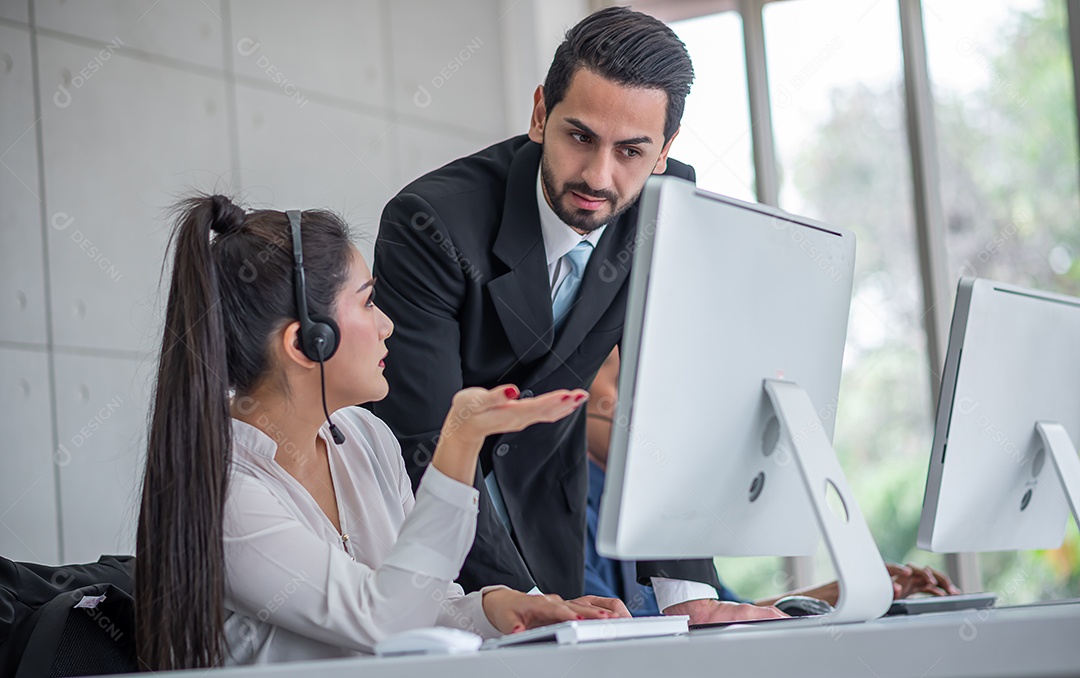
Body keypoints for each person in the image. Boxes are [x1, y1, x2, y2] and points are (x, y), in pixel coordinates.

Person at [371, 6, 780, 624]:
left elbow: (667, 406)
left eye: (632, 151)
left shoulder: (668, 212)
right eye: (580, 136)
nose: (598, 175)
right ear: (540, 113)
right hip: (429, 507)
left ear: (665, 151)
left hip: (548, 495)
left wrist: (689, 595)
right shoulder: (431, 222)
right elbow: (422, 435)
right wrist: (521, 604)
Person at [133, 196, 627, 671]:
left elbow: (418, 602)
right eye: (368, 304)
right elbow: (383, 620)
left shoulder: (366, 436)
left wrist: (495, 609)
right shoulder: (225, 489)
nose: (388, 325)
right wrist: (457, 443)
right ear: (308, 341)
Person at [583, 348, 963, 610]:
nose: (644, 408)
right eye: (622, 383)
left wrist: (834, 594)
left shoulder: (657, 506)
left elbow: (723, 614)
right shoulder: (564, 511)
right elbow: (622, 631)